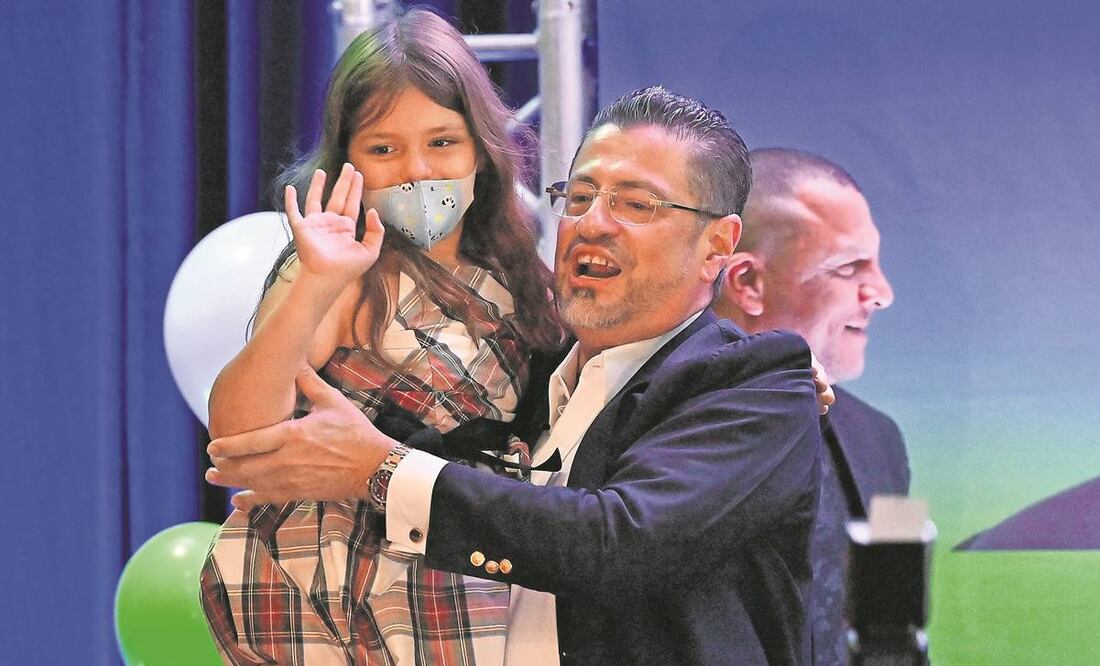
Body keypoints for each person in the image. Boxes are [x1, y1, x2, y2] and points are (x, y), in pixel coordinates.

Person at [208, 86, 825, 665]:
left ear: (719, 245)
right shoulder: (537, 377)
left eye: (636, 204)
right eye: (578, 198)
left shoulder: (756, 383)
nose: (593, 223)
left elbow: (620, 545)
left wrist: (378, 469)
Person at [199, 9, 562, 664]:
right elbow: (239, 429)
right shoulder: (339, 272)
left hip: (466, 579)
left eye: (442, 143)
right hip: (334, 589)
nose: (416, 170)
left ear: (482, 148)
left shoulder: (514, 270)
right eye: (384, 148)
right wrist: (315, 283)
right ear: (348, 159)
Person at [712, 147, 910, 666]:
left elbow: (891, 630)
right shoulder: (654, 425)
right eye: (849, 268)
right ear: (748, 283)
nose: (882, 292)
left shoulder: (879, 439)